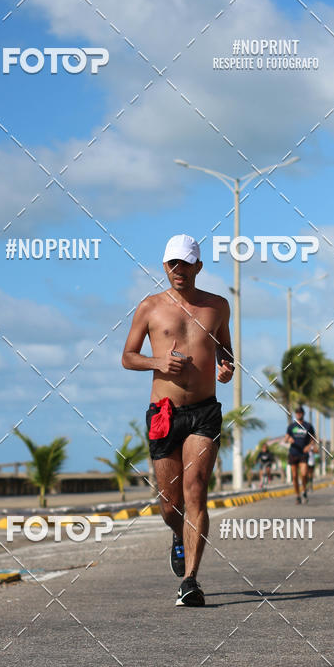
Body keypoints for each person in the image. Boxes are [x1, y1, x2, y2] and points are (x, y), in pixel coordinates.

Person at [121, 234, 234, 607]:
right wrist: (158, 363)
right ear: (164, 266)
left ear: (198, 266)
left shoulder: (217, 306)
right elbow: (128, 356)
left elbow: (224, 347)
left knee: (196, 488)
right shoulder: (150, 307)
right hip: (164, 414)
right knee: (170, 505)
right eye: (172, 264)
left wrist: (226, 364)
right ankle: (177, 535)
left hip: (204, 411)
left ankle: (191, 581)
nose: (178, 270)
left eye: (185, 263)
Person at [284, 406, 316, 504]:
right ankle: (297, 496)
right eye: (297, 412)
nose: (298, 414)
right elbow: (285, 439)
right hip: (293, 453)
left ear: (303, 414)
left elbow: (313, 439)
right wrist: (288, 440)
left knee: (304, 474)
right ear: (295, 414)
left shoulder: (308, 426)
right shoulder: (291, 426)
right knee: (294, 476)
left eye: (300, 412)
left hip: (303, 453)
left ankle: (304, 490)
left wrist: (309, 446)